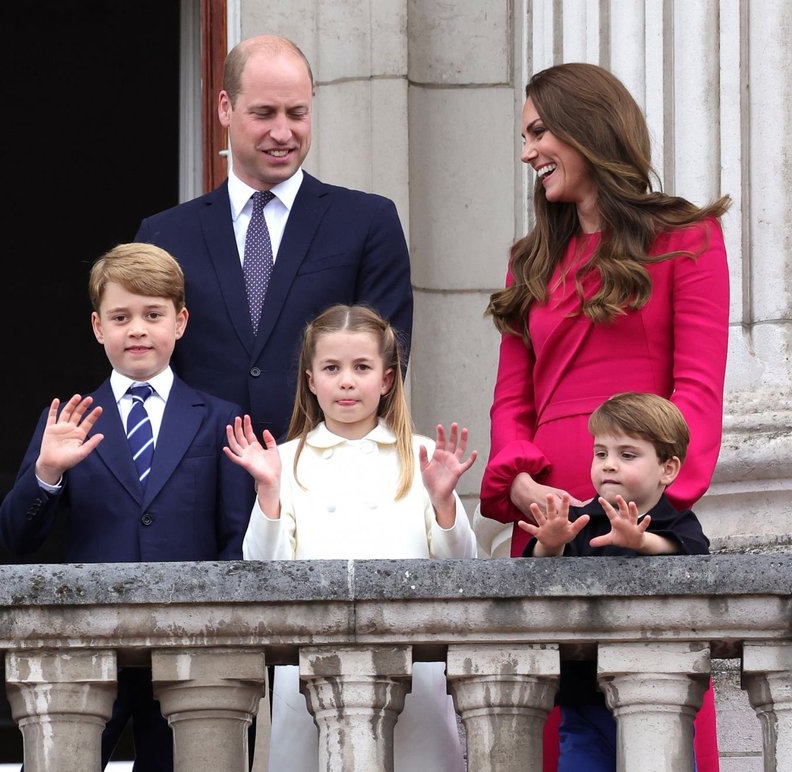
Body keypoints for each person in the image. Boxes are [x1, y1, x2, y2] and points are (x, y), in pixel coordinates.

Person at [479, 61, 729, 772]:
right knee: (559, 742)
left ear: (589, 128)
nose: (528, 152)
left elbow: (699, 390)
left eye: (539, 132)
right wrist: (521, 487)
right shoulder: (530, 260)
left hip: (637, 521)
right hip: (553, 523)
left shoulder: (687, 237)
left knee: (656, 737)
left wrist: (652, 515)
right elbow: (511, 400)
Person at [0, 242, 253, 772]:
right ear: (97, 327)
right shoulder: (68, 419)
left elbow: (236, 541)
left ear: (180, 322)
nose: (137, 329)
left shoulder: (219, 417)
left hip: (189, 647)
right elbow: (13, 539)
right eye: (121, 316)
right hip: (89, 647)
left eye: (153, 314)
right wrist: (48, 473)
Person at [224, 303, 475, 772]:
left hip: (412, 666)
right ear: (310, 379)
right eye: (332, 368)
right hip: (312, 667)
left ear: (386, 379)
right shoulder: (286, 459)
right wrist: (269, 491)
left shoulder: (421, 455)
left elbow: (460, 568)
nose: (346, 381)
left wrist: (443, 501)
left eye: (362, 367)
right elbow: (264, 570)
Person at [134, 34, 413, 443]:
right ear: (225, 108)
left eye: (296, 113)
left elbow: (387, 362)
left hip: (322, 476)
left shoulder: (368, 222)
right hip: (201, 478)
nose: (283, 133)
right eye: (264, 113)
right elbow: (142, 368)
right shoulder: (163, 235)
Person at [520, 392, 709, 769]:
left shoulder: (675, 523)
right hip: (584, 699)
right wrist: (551, 545)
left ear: (668, 469)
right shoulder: (579, 520)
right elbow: (532, 580)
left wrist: (641, 541)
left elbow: (695, 558)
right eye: (600, 453)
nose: (608, 465)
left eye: (627, 455)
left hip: (660, 696)